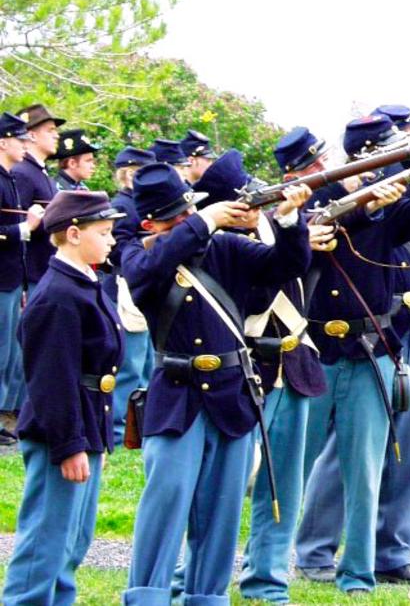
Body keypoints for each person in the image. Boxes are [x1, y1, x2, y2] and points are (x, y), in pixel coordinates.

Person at [121, 163, 313, 605]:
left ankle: (207, 597)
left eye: (189, 211)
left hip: (231, 394)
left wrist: (287, 219)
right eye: (177, 218)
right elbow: (147, 272)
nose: (187, 221)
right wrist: (204, 220)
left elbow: (286, 265)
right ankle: (147, 597)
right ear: (152, 224)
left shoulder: (224, 249)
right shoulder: (140, 255)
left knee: (222, 514)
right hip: (177, 394)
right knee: (165, 508)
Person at [295, 114, 410, 594]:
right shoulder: (323, 194)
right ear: (364, 154)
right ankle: (295, 556)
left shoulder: (385, 204)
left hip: (369, 345)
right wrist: (367, 201)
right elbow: (320, 223)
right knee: (301, 460)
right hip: (318, 347)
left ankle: (358, 569)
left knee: (364, 464)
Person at [2, 190, 125, 606]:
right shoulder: (57, 294)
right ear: (73, 233)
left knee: (73, 541)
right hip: (62, 431)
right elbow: (52, 381)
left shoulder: (84, 282)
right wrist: (70, 444)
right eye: (104, 232)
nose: (112, 240)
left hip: (85, 425)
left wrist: (95, 439)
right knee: (45, 542)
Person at [103, 146, 158, 445]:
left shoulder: (136, 204)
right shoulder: (123, 207)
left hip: (141, 288)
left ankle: (140, 425)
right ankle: (117, 430)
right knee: (130, 367)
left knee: (146, 365)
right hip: (124, 289)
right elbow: (119, 251)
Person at [0, 113, 42, 446]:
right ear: (3, 142)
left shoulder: (11, 179)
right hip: (2, 276)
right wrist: (24, 228)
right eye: (20, 139)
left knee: (10, 352)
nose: (25, 146)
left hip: (13, 276)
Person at [12, 104, 63, 285]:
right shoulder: (22, 173)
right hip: (32, 275)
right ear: (32, 135)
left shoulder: (39, 172)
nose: (56, 135)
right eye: (50, 130)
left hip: (45, 271)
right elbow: (18, 228)